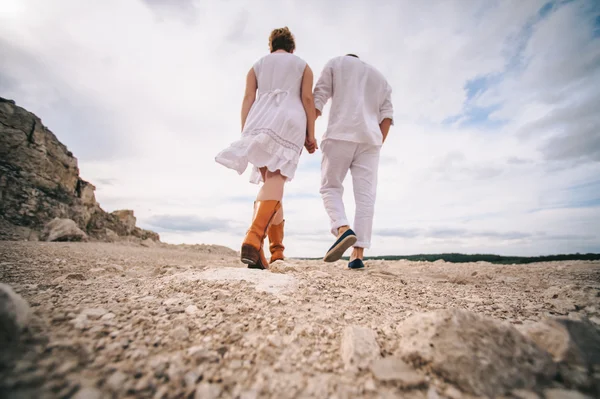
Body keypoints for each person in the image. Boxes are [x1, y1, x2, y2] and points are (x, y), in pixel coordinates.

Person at [215, 27, 317, 270]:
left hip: (258, 120)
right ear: (292, 47)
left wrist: (246, 132)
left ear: (271, 46)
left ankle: (276, 251)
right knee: (276, 180)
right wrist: (310, 134)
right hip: (289, 120)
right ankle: (254, 237)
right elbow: (307, 100)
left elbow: (248, 99)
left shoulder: (257, 65)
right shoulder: (302, 65)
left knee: (270, 182)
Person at [312, 54, 393, 269]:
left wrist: (308, 132)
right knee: (366, 197)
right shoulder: (380, 78)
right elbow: (387, 117)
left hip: (340, 133)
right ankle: (357, 254)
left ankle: (342, 228)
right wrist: (376, 144)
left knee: (330, 187)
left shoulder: (336, 63)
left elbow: (318, 98)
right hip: (370, 142)